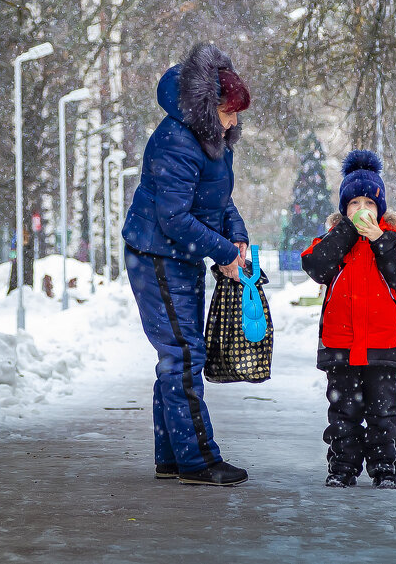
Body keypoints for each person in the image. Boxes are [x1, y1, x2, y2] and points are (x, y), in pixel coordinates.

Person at [121, 42, 252, 487]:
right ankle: (198, 460)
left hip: (180, 256)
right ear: (207, 105)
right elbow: (173, 217)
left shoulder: (211, 138)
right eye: (230, 111)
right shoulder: (177, 140)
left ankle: (172, 456)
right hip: (157, 256)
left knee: (177, 356)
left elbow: (218, 199)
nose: (235, 121)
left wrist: (236, 235)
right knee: (182, 354)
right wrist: (224, 251)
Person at [300, 150, 396, 489]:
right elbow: (314, 265)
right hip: (340, 345)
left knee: (383, 413)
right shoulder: (334, 242)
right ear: (344, 209)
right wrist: (346, 234)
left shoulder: (394, 241)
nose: (362, 209)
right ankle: (342, 466)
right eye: (354, 203)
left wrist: (379, 240)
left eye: (369, 202)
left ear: (380, 210)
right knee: (343, 414)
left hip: (383, 346)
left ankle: (384, 468)